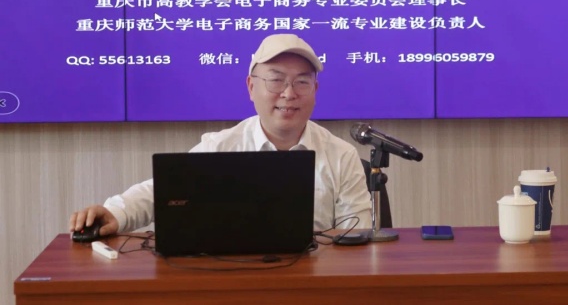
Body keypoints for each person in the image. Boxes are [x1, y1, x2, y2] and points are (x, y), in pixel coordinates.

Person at [69, 33, 372, 237]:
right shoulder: (221, 146)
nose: (289, 93)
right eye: (276, 80)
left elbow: (357, 236)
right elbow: (159, 192)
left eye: (302, 82)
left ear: (315, 90)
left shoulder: (340, 155)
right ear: (251, 87)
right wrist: (114, 213)